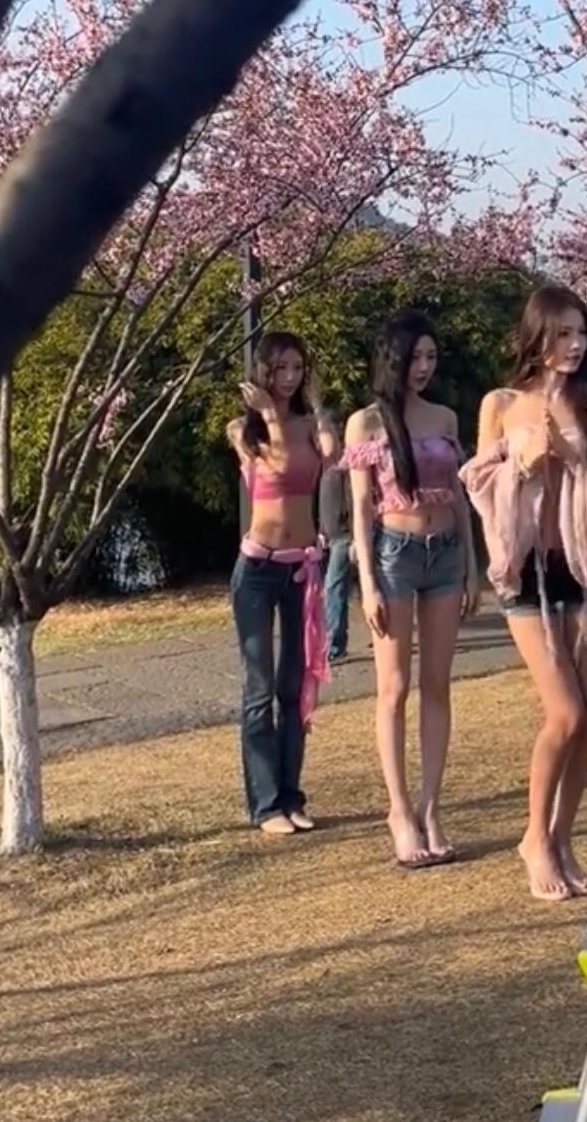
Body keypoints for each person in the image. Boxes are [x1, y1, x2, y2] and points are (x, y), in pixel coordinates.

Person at [462, 284, 587, 903]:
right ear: (537, 336)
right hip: (526, 570)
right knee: (565, 713)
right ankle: (534, 836)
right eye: (563, 334)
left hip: (585, 569)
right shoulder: (502, 403)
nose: (575, 345)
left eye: (582, 333)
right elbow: (478, 483)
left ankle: (562, 837)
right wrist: (521, 466)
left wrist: (574, 461)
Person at [343, 311, 478, 869]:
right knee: (394, 687)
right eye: (415, 357)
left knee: (437, 684)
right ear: (393, 358)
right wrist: (367, 583)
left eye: (431, 357)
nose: (424, 367)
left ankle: (431, 807)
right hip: (394, 556)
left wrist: (472, 566)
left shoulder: (444, 417)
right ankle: (399, 810)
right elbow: (359, 508)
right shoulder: (366, 423)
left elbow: (461, 496)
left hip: (445, 554)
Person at [227, 332, 337, 836]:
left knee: (295, 689)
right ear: (263, 373)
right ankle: (266, 805)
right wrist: (270, 416)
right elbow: (278, 466)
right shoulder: (243, 431)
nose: (289, 378)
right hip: (257, 569)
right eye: (280, 369)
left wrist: (317, 415)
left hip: (301, 569)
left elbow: (330, 459)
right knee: (260, 689)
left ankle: (291, 797)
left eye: (297, 368)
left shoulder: (311, 426)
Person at [319, 423, 356, 664]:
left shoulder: (345, 469)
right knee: (335, 588)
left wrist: (355, 536)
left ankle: (334, 644)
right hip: (331, 537)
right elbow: (322, 506)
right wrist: (321, 531)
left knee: (334, 587)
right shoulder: (323, 470)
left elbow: (355, 502)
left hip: (346, 537)